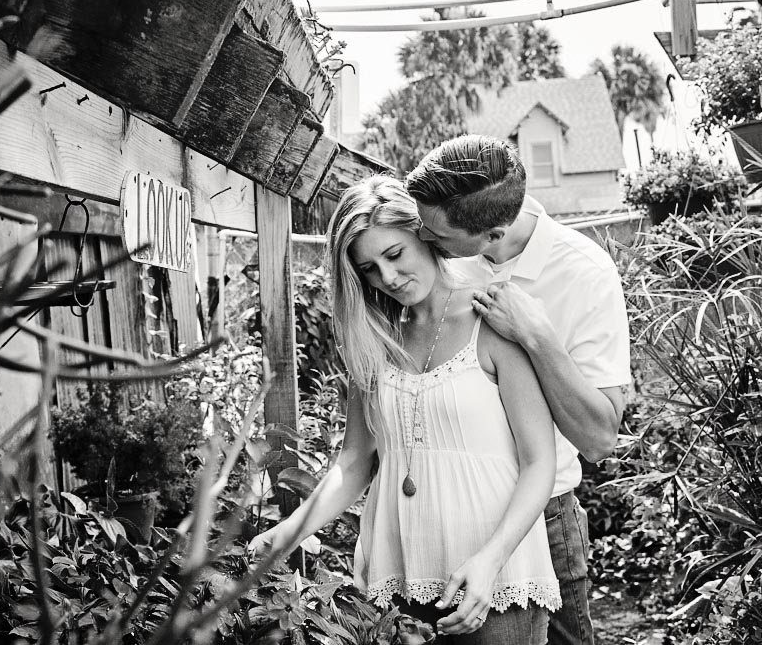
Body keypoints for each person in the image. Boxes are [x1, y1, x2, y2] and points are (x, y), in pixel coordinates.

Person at [248, 175, 561, 644]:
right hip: (399, 570)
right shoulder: (372, 339)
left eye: (394, 255)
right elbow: (354, 463)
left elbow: (540, 463)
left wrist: (490, 559)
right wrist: (291, 529)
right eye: (369, 269)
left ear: (424, 235)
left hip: (493, 575)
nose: (388, 278)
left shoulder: (491, 321)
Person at [404, 135, 633, 645]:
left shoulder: (584, 273)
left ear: (493, 234)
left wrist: (537, 336)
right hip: (446, 511)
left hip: (543, 515)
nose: (421, 236)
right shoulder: (438, 253)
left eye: (436, 234)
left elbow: (600, 439)